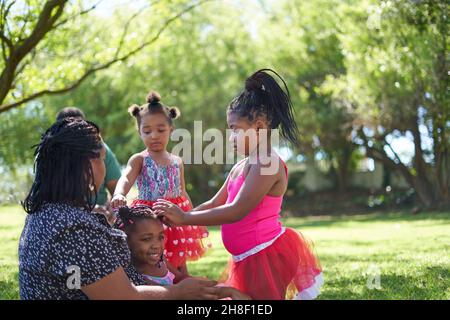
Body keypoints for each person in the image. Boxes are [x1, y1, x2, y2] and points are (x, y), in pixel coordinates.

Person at [154, 69, 323, 300]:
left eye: (235, 129)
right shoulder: (241, 166)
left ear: (260, 127)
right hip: (245, 257)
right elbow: (215, 203)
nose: (231, 137)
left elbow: (237, 210)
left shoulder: (268, 164)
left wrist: (185, 218)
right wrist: (182, 218)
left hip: (265, 255)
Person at [18, 117, 219, 300]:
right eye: (104, 159)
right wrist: (178, 292)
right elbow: (124, 297)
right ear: (88, 164)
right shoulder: (72, 228)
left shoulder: (47, 213)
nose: (105, 169)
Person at [111, 91, 210, 277]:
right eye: (147, 131)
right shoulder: (139, 159)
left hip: (174, 214)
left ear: (171, 130)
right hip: (150, 216)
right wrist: (119, 194)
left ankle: (183, 280)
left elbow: (182, 190)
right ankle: (164, 284)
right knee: (156, 256)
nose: (154, 135)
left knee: (179, 256)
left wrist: (190, 214)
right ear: (139, 132)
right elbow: (126, 178)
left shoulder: (176, 161)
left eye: (160, 130)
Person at [115, 205, 250, 300]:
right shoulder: (131, 274)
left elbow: (180, 278)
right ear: (125, 241)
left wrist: (223, 289)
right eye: (146, 239)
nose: (156, 245)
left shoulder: (161, 261)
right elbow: (171, 293)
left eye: (160, 237)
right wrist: (224, 292)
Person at [56, 107, 122, 224]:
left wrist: (114, 208)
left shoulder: (101, 149)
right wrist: (86, 212)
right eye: (71, 130)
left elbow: (117, 189)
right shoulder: (51, 159)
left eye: (81, 128)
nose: (78, 134)